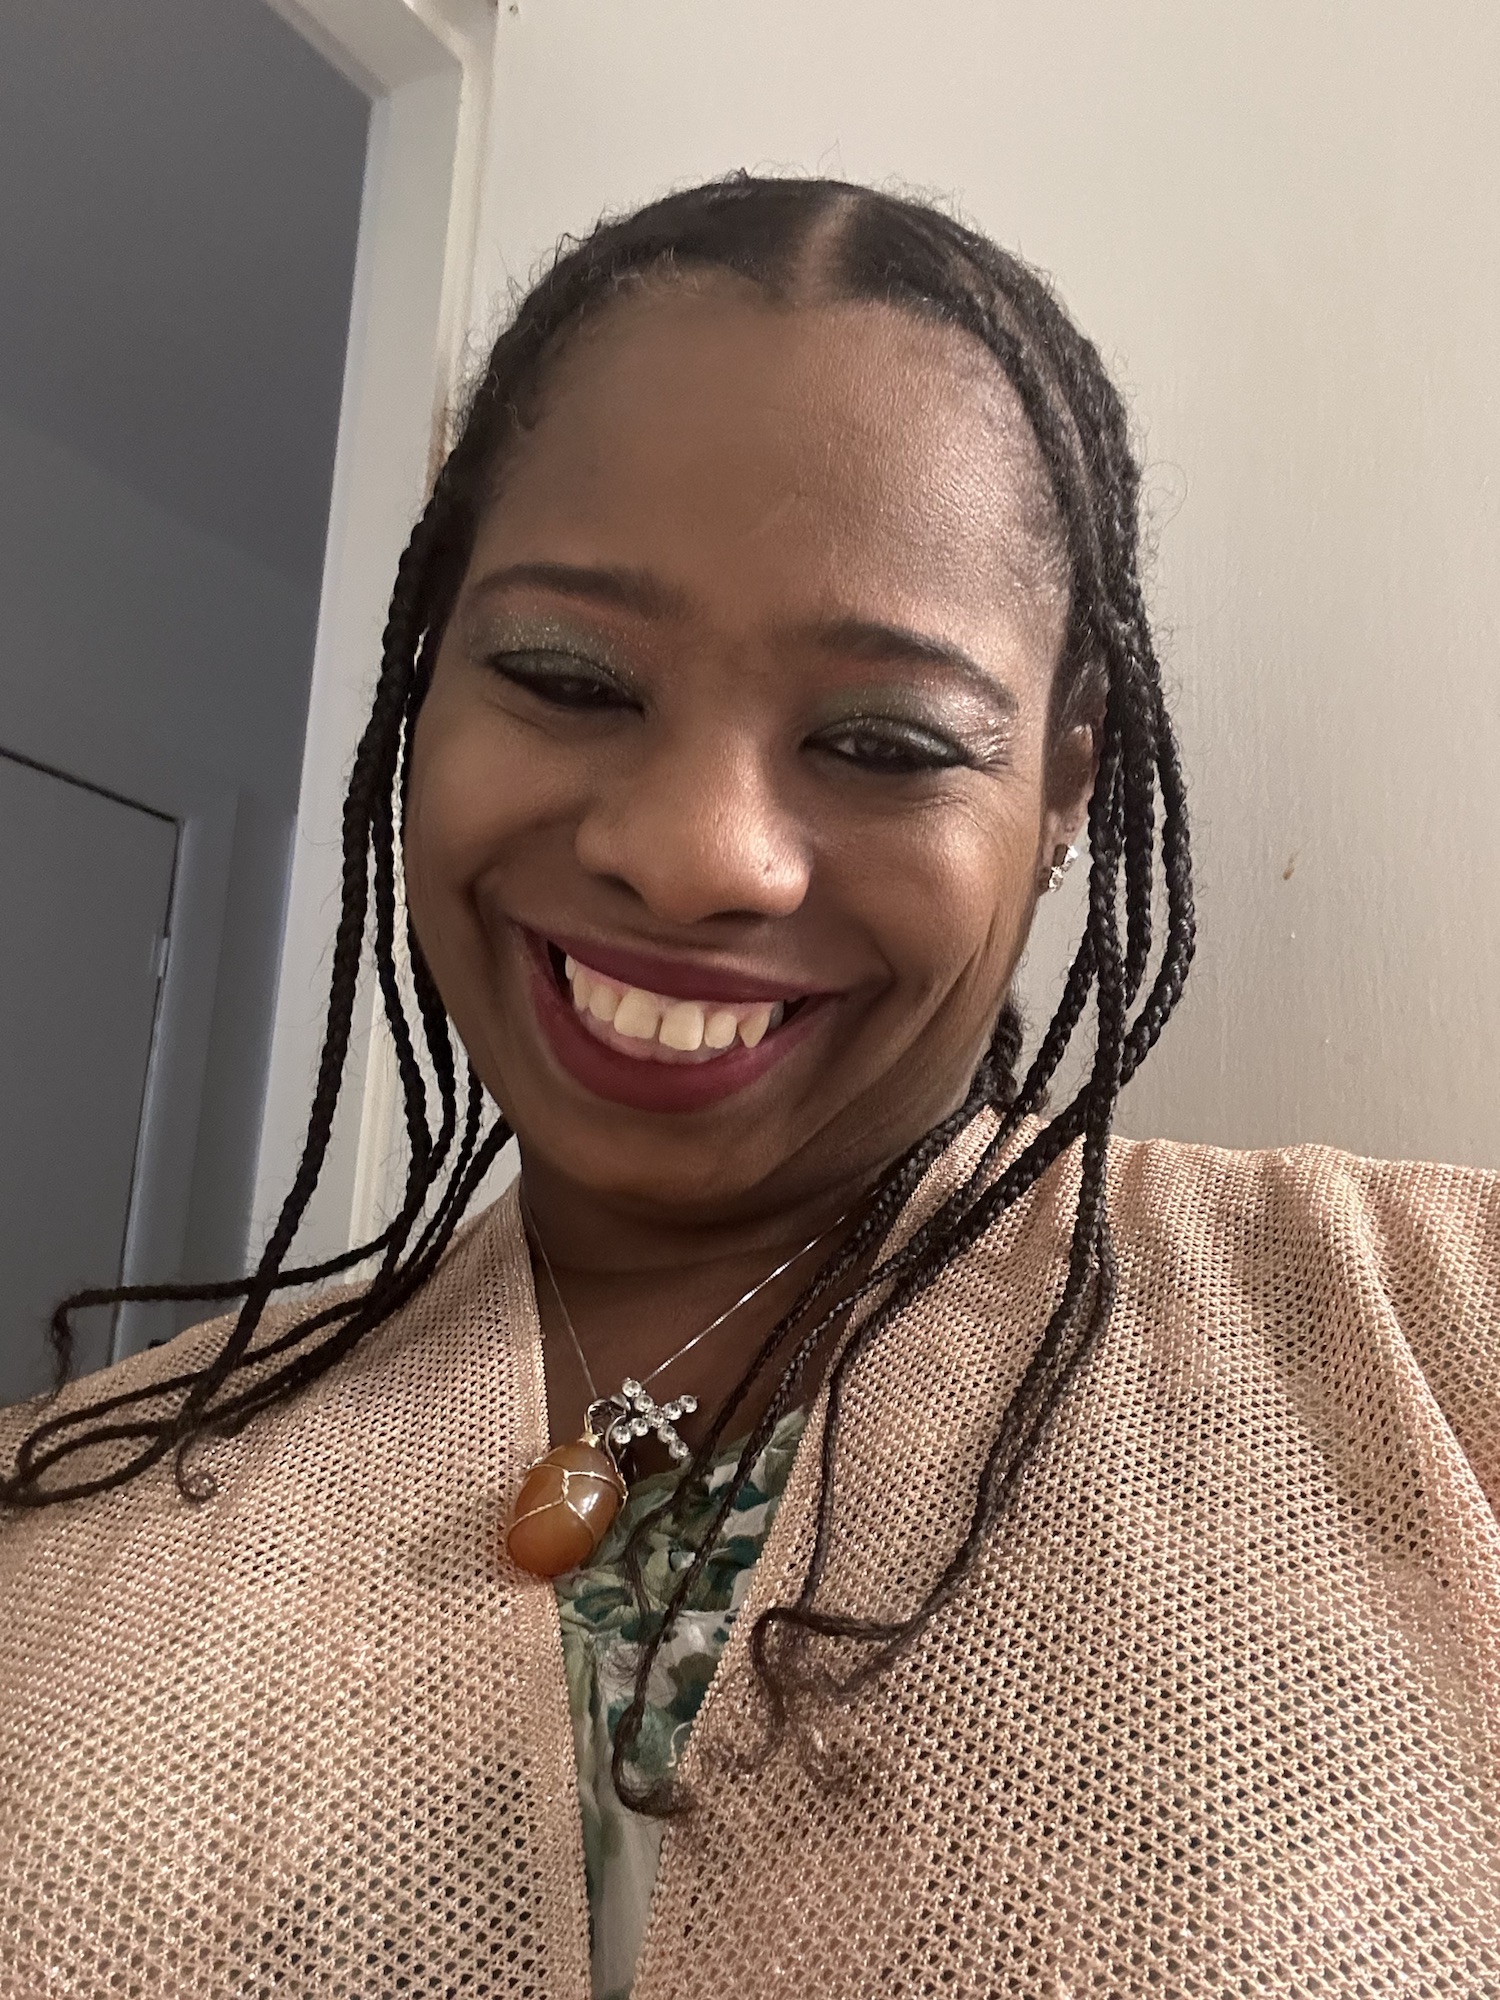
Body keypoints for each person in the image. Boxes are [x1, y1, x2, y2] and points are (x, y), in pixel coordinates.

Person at [1, 176, 1495, 1999]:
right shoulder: (63, 1515)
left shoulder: (1429, 1348)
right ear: (425, 677)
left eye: (883, 740)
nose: (698, 852)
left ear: (1064, 785)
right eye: (566, 677)